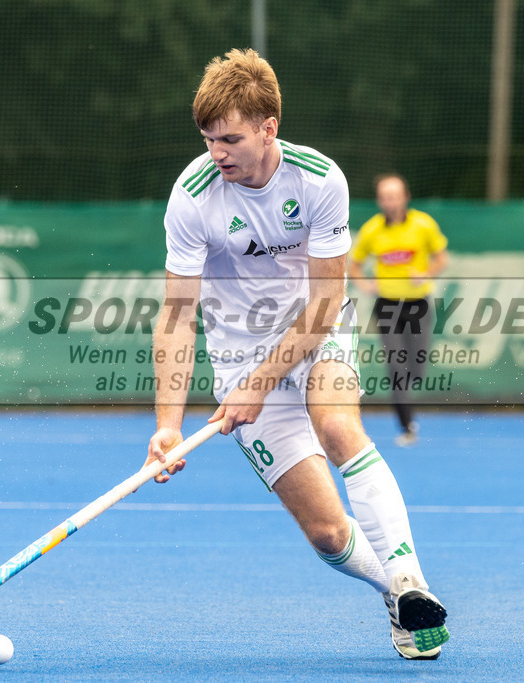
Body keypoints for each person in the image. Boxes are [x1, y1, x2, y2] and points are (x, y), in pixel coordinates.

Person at [144, 49, 449, 660]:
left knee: (337, 423)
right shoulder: (193, 196)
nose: (217, 153)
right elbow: (177, 315)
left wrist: (261, 381)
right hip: (237, 355)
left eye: (230, 138)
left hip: (317, 329)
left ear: (268, 129)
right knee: (328, 533)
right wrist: (167, 425)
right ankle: (394, 592)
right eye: (208, 139)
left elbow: (325, 302)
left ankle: (409, 573)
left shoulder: (318, 179)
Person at [348, 174, 449, 446]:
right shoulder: (372, 230)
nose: (389, 202)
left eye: (394, 196)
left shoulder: (423, 225)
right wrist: (365, 285)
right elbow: (354, 264)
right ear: (379, 201)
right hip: (388, 307)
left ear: (406, 197)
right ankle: (407, 426)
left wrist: (427, 272)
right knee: (397, 366)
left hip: (418, 305)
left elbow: (442, 258)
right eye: (384, 197)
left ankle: (408, 412)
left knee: (416, 368)